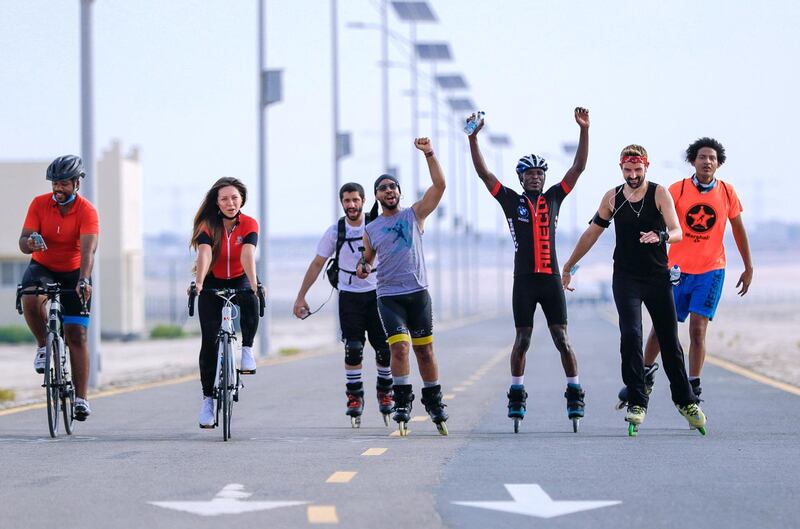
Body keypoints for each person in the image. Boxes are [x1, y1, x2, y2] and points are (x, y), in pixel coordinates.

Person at [561, 145, 707, 435]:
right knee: (630, 335)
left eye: (638, 170)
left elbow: (678, 231)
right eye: (628, 171)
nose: (633, 176)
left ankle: (685, 400)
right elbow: (592, 232)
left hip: (657, 276)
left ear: (646, 167)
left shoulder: (659, 193)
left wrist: (662, 236)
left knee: (669, 340)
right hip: (626, 278)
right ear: (621, 169)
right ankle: (637, 401)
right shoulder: (613, 197)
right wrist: (569, 265)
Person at [467, 107, 590, 430]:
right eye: (530, 174)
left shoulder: (554, 198)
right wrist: (473, 139)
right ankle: (517, 392)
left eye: (540, 173)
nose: (536, 177)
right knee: (522, 340)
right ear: (521, 178)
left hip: (550, 280)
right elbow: (484, 175)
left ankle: (574, 390)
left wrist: (584, 130)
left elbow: (577, 168)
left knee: (562, 339)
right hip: (523, 280)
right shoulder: (510, 200)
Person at [640, 138, 753, 399]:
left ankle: (693, 385)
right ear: (693, 161)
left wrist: (748, 266)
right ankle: (644, 375)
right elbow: (659, 229)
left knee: (698, 330)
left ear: (718, 163)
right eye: (702, 157)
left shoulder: (726, 192)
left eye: (712, 158)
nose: (707, 162)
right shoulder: (676, 190)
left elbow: (738, 230)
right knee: (661, 327)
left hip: (711, 270)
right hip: (676, 271)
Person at [356, 137, 447, 435]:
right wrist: (363, 266)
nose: (389, 191)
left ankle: (434, 401)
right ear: (377, 196)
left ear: (399, 192)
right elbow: (367, 260)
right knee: (400, 351)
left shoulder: (414, 214)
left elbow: (439, 186)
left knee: (426, 352)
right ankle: (402, 402)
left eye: (392, 187)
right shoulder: (370, 229)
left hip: (418, 293)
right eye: (383, 188)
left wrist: (429, 154)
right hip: (389, 297)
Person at [293, 183, 392, 426]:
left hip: (378, 293)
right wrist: (301, 296)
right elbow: (317, 264)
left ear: (363, 200)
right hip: (349, 295)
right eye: (346, 201)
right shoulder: (335, 231)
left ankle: (385, 391)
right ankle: (354, 396)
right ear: (342, 203)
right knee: (354, 348)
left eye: (355, 200)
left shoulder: (376, 225)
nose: (351, 205)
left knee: (384, 349)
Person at [19, 155, 99, 421]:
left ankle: (81, 398)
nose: (58, 188)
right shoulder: (39, 204)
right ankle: (44, 346)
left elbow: (88, 252)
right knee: (30, 298)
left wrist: (84, 280)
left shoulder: (87, 211)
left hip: (75, 271)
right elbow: (22, 240)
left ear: (77, 183)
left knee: (76, 335)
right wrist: (30, 243)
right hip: (43, 266)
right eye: (55, 183)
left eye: (64, 183)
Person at [190, 177, 262, 429]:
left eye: (234, 197)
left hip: (240, 277)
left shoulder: (249, 223)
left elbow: (247, 253)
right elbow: (205, 253)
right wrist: (199, 282)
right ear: (216, 202)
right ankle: (208, 400)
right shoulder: (207, 225)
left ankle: (246, 350)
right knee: (209, 340)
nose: (230, 203)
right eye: (224, 199)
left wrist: (253, 282)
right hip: (211, 281)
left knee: (250, 298)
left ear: (242, 199)